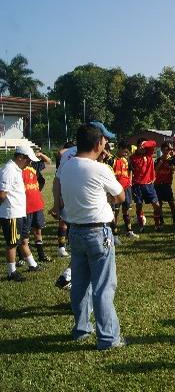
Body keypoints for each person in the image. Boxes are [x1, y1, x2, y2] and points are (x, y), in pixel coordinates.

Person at [57, 123, 126, 350]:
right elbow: (120, 196)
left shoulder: (65, 167)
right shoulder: (100, 169)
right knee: (103, 287)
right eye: (104, 141)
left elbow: (59, 191)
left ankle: (81, 329)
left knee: (80, 284)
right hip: (98, 232)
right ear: (98, 143)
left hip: (75, 231)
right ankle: (108, 338)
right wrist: (106, 200)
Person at [1, 146, 42, 281]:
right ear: (20, 157)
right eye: (28, 160)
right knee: (12, 243)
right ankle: (11, 272)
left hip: (19, 212)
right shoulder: (9, 170)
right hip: (11, 213)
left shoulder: (17, 169)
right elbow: (2, 194)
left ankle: (32, 264)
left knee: (24, 239)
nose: (29, 163)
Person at [21, 155, 52, 264]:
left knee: (38, 230)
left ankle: (41, 255)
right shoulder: (18, 170)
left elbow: (48, 161)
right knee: (25, 234)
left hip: (37, 204)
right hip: (25, 206)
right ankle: (22, 258)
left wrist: (39, 155)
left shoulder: (34, 165)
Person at [129, 138, 163, 232]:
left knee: (156, 205)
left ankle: (157, 225)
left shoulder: (148, 154)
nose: (142, 148)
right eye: (140, 146)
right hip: (137, 186)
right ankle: (141, 226)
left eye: (143, 146)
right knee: (139, 206)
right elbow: (130, 172)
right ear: (137, 146)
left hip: (149, 185)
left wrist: (145, 144)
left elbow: (154, 143)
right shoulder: (132, 158)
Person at [106, 141, 138, 238]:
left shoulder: (126, 160)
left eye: (127, 152)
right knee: (115, 211)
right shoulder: (111, 160)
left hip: (127, 188)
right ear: (119, 148)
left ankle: (129, 231)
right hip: (115, 190)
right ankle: (114, 234)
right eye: (124, 151)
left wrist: (130, 181)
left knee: (126, 210)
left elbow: (130, 170)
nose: (126, 153)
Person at [154, 142, 175, 225]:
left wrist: (172, 167)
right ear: (162, 150)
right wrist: (160, 164)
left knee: (171, 202)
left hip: (167, 184)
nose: (168, 151)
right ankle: (161, 220)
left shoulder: (172, 160)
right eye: (166, 149)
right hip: (158, 184)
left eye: (170, 149)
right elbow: (154, 172)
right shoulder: (158, 160)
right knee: (159, 203)